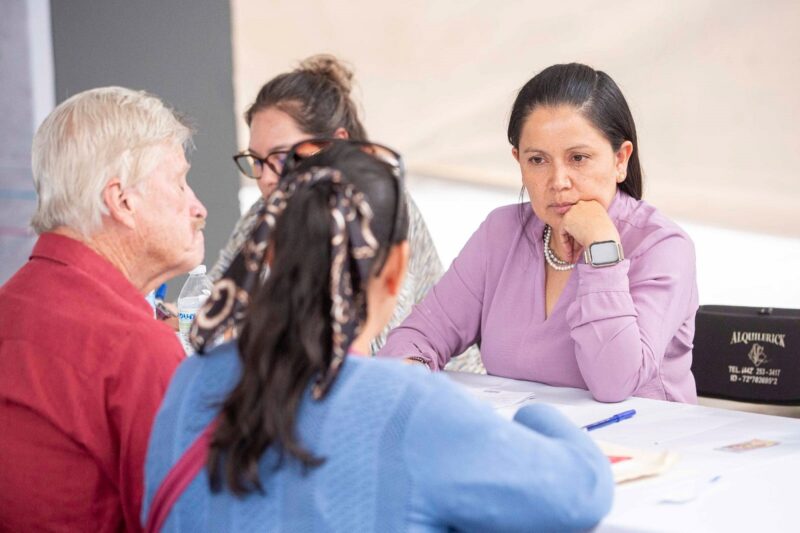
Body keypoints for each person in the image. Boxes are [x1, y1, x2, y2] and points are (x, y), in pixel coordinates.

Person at [143, 142, 613, 532]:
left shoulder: (190, 381)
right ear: (396, 272)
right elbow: (580, 495)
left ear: (270, 258)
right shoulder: (406, 407)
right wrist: (536, 417)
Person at [378, 63, 699, 403]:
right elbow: (416, 336)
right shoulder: (501, 233)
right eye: (537, 160)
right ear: (518, 161)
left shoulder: (662, 246)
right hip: (522, 445)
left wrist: (602, 248)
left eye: (578, 158)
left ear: (621, 159)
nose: (558, 181)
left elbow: (615, 383)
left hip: (642, 451)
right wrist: (414, 381)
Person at [0, 87, 207, 531]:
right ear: (122, 201)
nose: (197, 207)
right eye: (179, 182)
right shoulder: (134, 347)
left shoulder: (12, 308)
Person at [211, 54, 482, 372]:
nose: (265, 177)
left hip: (439, 387)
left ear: (333, 146)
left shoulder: (381, 206)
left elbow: (373, 346)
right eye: (256, 159)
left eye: (281, 156)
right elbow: (213, 303)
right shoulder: (264, 212)